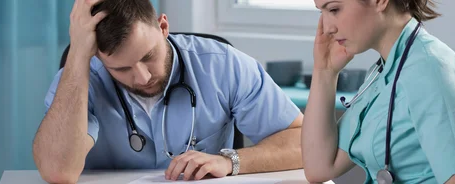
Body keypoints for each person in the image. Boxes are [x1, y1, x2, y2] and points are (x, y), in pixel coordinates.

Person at [32, 0, 304, 183]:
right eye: (121, 69)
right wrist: (78, 52)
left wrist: (230, 160)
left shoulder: (223, 65)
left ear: (163, 26)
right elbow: (58, 172)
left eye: (148, 55)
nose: (142, 77)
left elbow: (302, 143)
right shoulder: (81, 78)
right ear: (99, 57)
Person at [301, 0, 455, 183]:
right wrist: (324, 71)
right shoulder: (386, 70)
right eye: (321, 13)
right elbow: (319, 167)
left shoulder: (431, 74)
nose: (327, 28)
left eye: (334, 9)